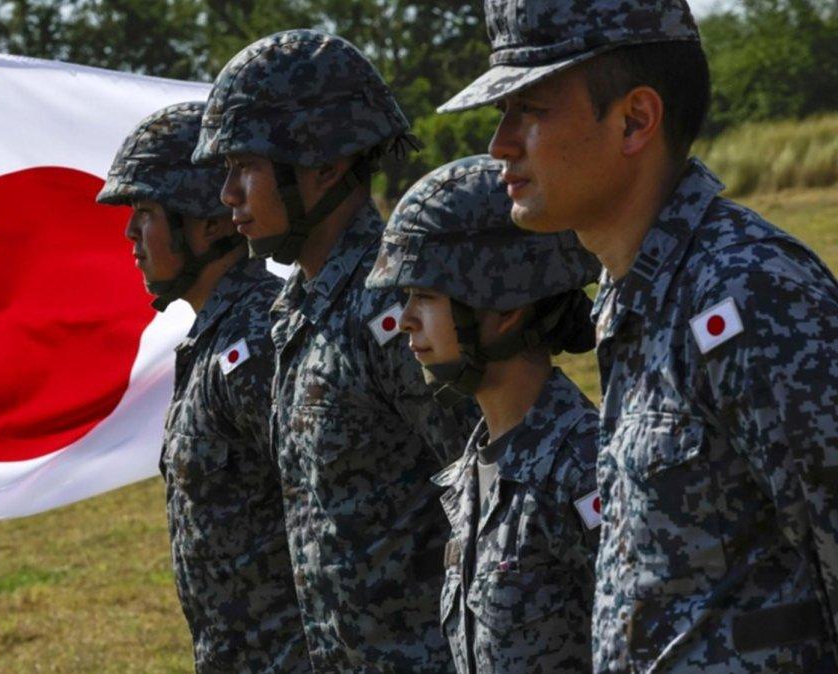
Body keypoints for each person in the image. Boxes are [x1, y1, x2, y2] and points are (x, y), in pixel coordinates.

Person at [438, 1, 838, 671]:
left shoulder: (747, 294)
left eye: (530, 111)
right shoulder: (637, 294)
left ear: (635, 120)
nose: (500, 144)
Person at [194, 30, 477, 671]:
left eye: (246, 167)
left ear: (324, 164)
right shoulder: (297, 305)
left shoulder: (394, 309)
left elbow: (501, 489)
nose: (227, 195)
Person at [96, 101, 309, 673]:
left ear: (210, 221)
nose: (131, 234)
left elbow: (326, 518)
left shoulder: (256, 339)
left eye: (146, 212)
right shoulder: (215, 337)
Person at [367, 154, 601, 673]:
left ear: (504, 306)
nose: (404, 320)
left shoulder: (584, 471)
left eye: (424, 296)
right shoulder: (473, 471)